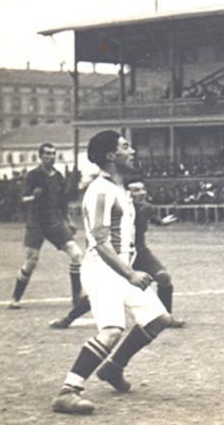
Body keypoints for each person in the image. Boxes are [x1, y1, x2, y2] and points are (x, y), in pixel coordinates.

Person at [51, 131, 174, 415]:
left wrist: (129, 271)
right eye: (125, 146)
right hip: (103, 270)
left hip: (121, 269)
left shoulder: (119, 188)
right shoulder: (101, 191)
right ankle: (67, 391)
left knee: (159, 319)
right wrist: (131, 274)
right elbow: (99, 242)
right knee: (111, 330)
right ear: (110, 155)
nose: (132, 151)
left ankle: (113, 368)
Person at [50, 178, 186, 330]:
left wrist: (161, 222)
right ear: (127, 193)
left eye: (143, 189)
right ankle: (68, 319)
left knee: (164, 277)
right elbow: (99, 231)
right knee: (103, 292)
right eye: (136, 190)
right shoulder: (117, 206)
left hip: (140, 251)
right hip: (117, 254)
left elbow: (152, 219)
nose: (141, 193)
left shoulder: (146, 207)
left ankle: (167, 317)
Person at [9, 143, 84, 309]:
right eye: (48, 154)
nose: (51, 157)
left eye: (53, 154)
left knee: (77, 254)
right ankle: (16, 298)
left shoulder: (58, 177)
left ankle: (76, 298)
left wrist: (68, 220)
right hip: (36, 222)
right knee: (31, 261)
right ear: (40, 156)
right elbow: (22, 199)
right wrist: (33, 198)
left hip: (53, 222)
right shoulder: (33, 176)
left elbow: (62, 202)